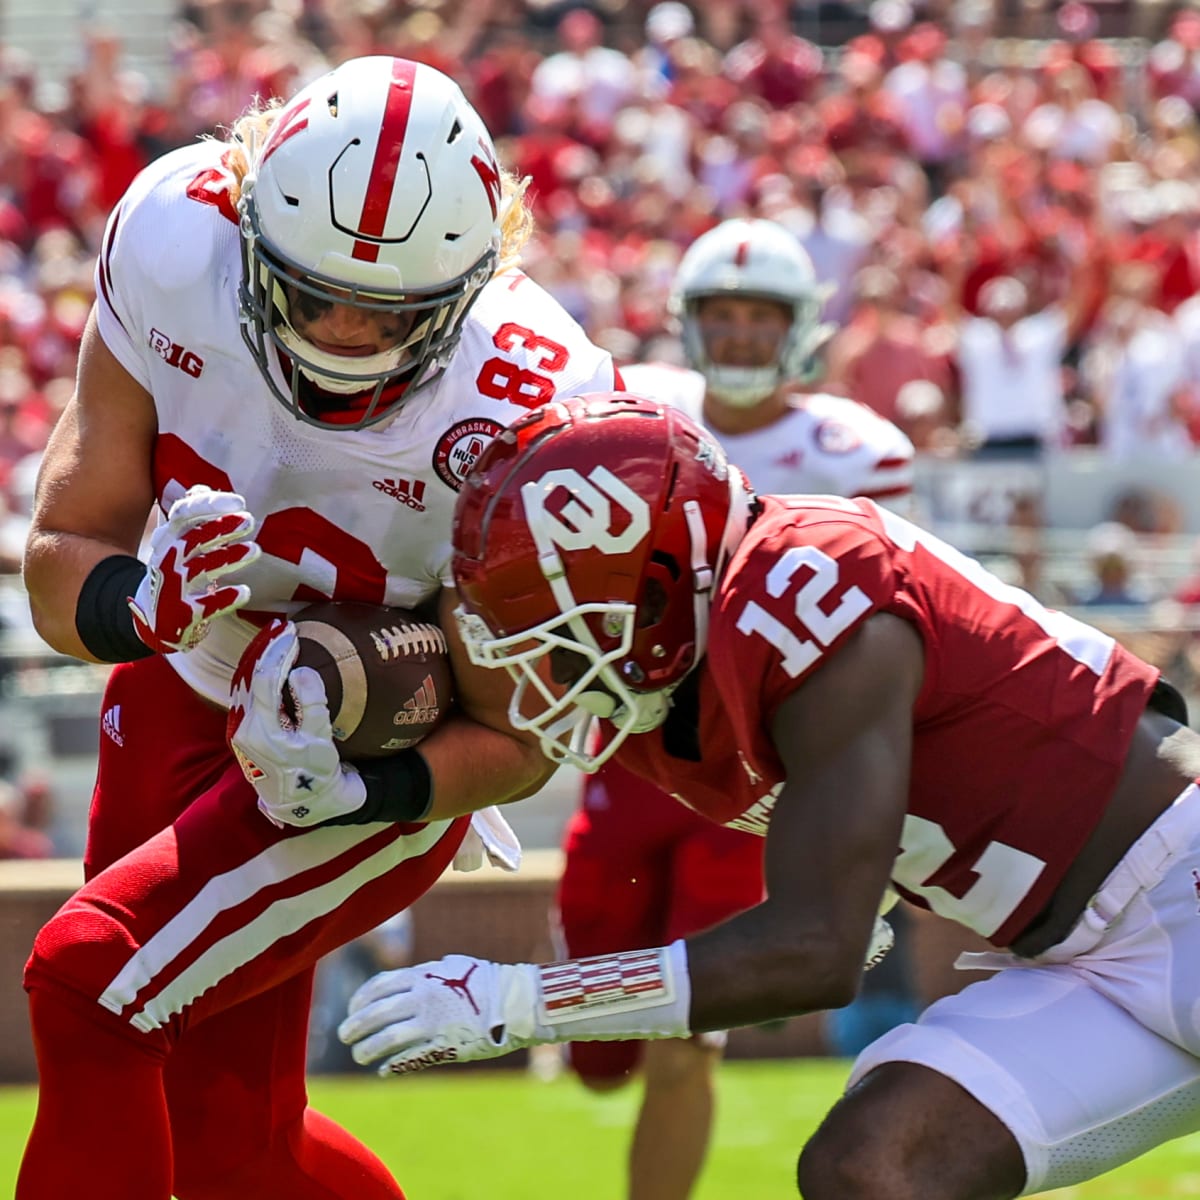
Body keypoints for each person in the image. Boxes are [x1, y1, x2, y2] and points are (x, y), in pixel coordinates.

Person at [338, 392, 1200, 1200]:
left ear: (661, 586)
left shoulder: (815, 594)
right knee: (872, 1166)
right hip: (1076, 958)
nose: (547, 667)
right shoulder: (680, 662)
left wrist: (518, 1005)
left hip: (1182, 885)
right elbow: (512, 736)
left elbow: (817, 952)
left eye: (570, 630)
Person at [18, 56, 620, 1200]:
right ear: (249, 224)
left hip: (371, 759)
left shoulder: (532, 400)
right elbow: (63, 556)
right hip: (182, 675)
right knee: (227, 1143)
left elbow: (519, 740)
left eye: (388, 309)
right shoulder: (173, 238)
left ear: (472, 283)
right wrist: (135, 604)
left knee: (90, 980)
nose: (344, 330)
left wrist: (366, 792)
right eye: (313, 291)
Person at [554, 217, 915, 1200]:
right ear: (689, 322)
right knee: (600, 1039)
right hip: (628, 753)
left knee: (684, 1039)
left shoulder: (854, 450)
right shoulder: (631, 407)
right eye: (725, 314)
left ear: (799, 327)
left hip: (757, 776)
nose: (745, 335)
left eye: (764, 316)